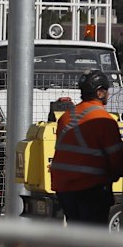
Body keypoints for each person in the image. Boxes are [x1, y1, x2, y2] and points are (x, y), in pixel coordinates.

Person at [50, 70, 123, 226]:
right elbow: (117, 160)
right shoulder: (104, 120)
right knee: (93, 235)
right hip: (90, 187)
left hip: (63, 187)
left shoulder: (66, 116)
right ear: (100, 92)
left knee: (75, 232)